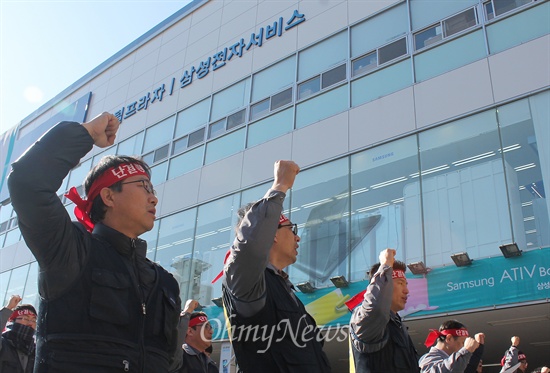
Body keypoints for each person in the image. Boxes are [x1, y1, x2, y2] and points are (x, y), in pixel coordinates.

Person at [7, 112, 182, 372]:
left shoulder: (165, 283)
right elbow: (27, 182)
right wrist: (85, 133)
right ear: (109, 197)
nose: (153, 198)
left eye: (153, 190)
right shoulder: (70, 250)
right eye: (144, 187)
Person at [221, 160, 331, 372]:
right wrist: (279, 186)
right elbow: (250, 247)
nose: (298, 238)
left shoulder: (285, 290)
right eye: (292, 229)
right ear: (271, 234)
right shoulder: (248, 282)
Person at [348, 248, 419, 372]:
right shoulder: (365, 318)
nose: (406, 291)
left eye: (406, 284)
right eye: (400, 283)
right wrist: (386, 265)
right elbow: (376, 309)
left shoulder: (398, 326)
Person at [419, 319, 484, 373]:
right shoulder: (427, 360)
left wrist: (478, 348)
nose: (463, 347)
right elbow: (448, 369)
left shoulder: (450, 360)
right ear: (449, 338)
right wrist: (466, 350)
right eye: (462, 342)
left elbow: (468, 369)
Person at [177, 299, 217, 373]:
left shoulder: (212, 366)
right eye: (205, 326)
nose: (211, 331)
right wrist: (187, 310)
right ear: (190, 331)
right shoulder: (179, 357)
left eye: (210, 327)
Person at [0, 295, 36, 373]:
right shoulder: (3, 344)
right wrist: (8, 308)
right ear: (13, 320)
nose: (30, 323)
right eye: (26, 318)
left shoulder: (36, 352)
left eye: (34, 320)